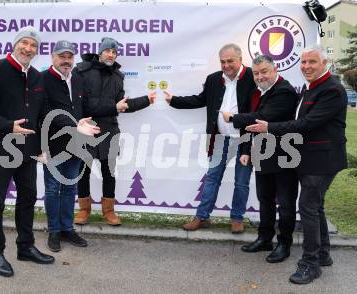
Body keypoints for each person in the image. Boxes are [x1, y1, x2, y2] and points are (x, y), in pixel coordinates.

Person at [246, 45, 347, 284]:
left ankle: (310, 264)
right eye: (303, 62)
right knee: (316, 207)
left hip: (321, 160)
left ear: (325, 63)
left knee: (308, 208)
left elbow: (307, 123)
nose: (306, 67)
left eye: (312, 62)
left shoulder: (331, 89)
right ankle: (323, 255)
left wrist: (269, 127)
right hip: (311, 158)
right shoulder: (311, 88)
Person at [0, 26, 54, 277]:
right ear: (16, 44)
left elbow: (44, 113)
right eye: (25, 43)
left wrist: (72, 125)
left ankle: (25, 247)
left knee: (27, 199)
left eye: (33, 46)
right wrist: (8, 126)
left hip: (27, 152)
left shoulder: (38, 77)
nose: (28, 49)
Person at [164, 43, 255, 233]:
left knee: (241, 181)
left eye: (230, 61)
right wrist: (174, 101)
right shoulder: (213, 79)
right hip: (219, 139)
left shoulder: (253, 78)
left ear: (240, 60)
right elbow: (200, 99)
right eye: (223, 61)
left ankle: (237, 218)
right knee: (212, 178)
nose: (226, 65)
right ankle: (202, 216)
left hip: (245, 140)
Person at [221, 55, 299, 263]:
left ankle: (284, 244)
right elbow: (251, 125)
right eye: (256, 73)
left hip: (285, 154)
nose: (260, 76)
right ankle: (265, 238)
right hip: (262, 153)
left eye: (264, 71)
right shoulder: (256, 92)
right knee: (265, 199)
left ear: (275, 69)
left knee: (285, 202)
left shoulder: (285, 91)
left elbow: (263, 117)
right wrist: (246, 150)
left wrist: (232, 118)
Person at [74, 37, 156, 226]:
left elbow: (122, 105)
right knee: (83, 171)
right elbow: (84, 104)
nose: (111, 54)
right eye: (108, 51)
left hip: (109, 129)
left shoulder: (118, 76)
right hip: (86, 127)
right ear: (100, 52)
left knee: (109, 172)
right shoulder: (82, 71)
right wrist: (113, 106)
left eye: (115, 52)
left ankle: (109, 211)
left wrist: (146, 100)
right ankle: (83, 210)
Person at [42, 40, 101, 252]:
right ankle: (54, 231)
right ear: (53, 57)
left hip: (76, 144)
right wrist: (75, 125)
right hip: (52, 146)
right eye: (62, 56)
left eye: (69, 57)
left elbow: (84, 107)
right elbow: (46, 112)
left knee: (69, 188)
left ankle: (67, 228)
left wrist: (114, 107)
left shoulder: (77, 79)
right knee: (52, 189)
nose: (66, 61)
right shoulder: (42, 79)